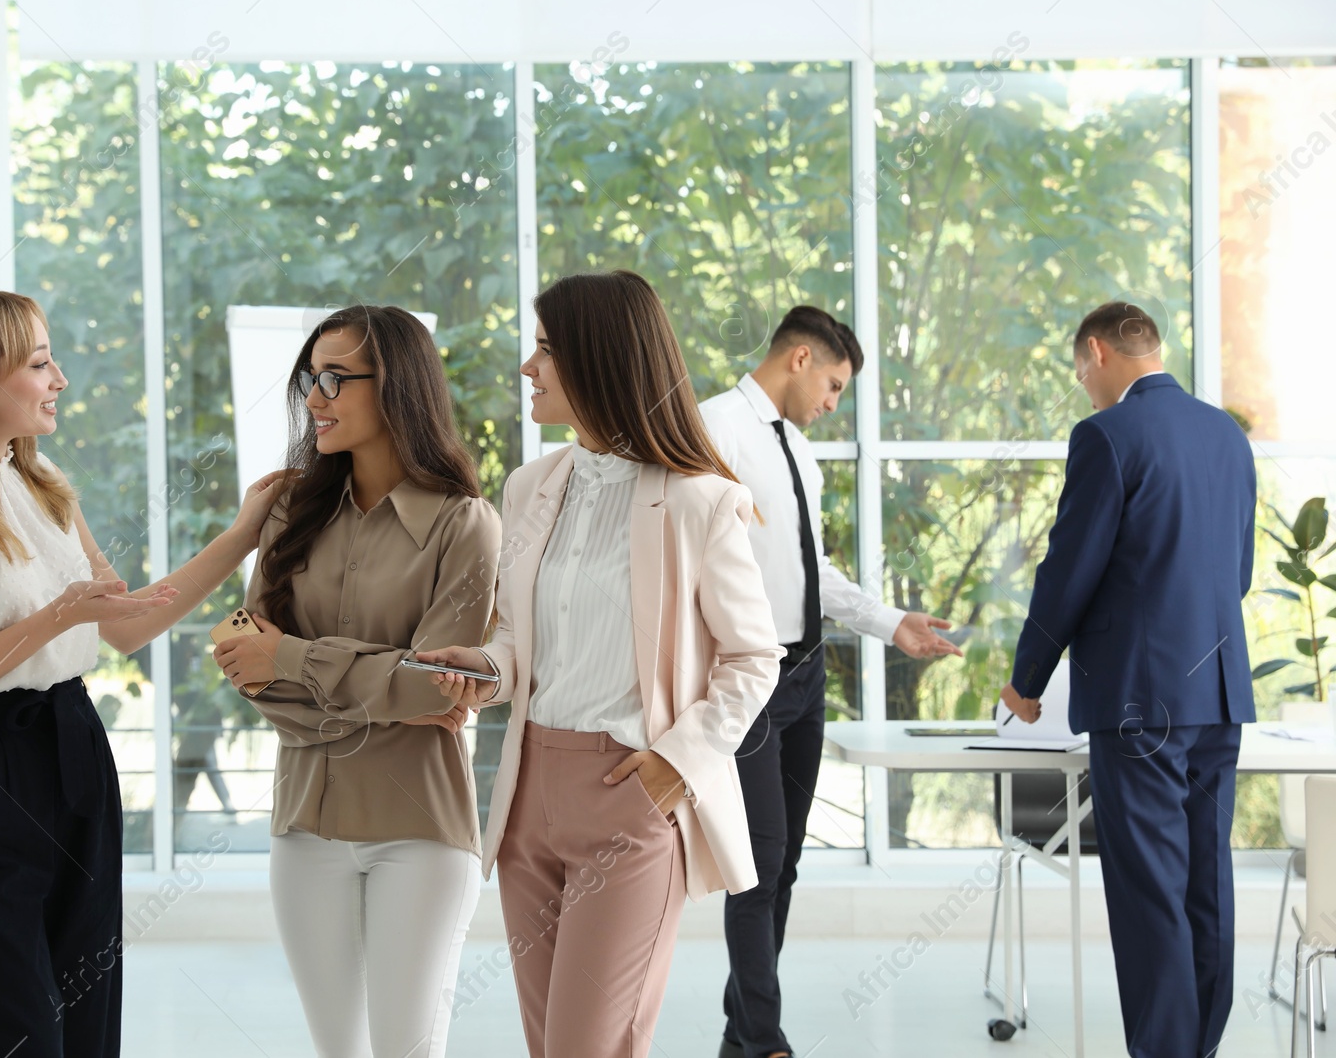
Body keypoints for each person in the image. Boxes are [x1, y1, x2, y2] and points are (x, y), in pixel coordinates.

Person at [0, 288, 288, 1056]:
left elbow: (125, 621)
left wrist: (242, 536)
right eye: (39, 363)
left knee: (89, 1031)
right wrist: (57, 616)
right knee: (19, 1035)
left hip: (70, 747)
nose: (60, 378)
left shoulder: (39, 479)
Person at [416, 269, 783, 1058]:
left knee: (591, 1047)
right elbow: (520, 635)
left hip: (631, 794)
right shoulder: (530, 487)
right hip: (527, 798)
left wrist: (674, 764)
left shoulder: (699, 500)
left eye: (545, 349)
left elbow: (754, 657)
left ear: (599, 359)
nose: (527, 367)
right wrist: (486, 665)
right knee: (549, 1045)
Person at [210, 305, 500, 1058]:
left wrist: (296, 660)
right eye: (311, 378)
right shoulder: (288, 511)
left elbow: (437, 681)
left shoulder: (464, 523)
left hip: (421, 834)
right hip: (304, 826)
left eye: (336, 378)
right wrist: (379, 688)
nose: (315, 397)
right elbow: (246, 663)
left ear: (398, 386)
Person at [698, 305, 961, 1058]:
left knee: (786, 865)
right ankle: (767, 1039)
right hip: (746, 675)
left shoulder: (799, 455)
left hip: (805, 677)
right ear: (801, 357)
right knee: (758, 862)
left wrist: (889, 621)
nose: (832, 403)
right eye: (836, 386)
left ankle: (740, 1033)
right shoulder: (714, 429)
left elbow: (811, 568)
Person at [1001, 301, 1256, 1058]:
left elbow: (1069, 572)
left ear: (1096, 352)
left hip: (1141, 702)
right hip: (1218, 693)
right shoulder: (1227, 436)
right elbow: (1234, 573)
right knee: (1205, 884)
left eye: (1080, 370)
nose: (1083, 384)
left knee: (1150, 894)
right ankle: (1196, 1047)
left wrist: (1027, 678)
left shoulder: (1106, 435)